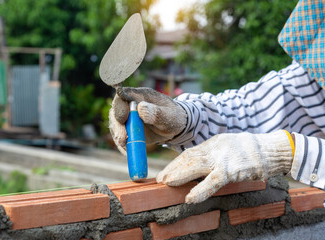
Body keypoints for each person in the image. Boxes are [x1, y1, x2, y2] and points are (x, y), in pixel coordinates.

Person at [109, 0, 325, 204]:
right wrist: (185, 120)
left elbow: (274, 146)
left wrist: (287, 152)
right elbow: (254, 109)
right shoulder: (312, 76)